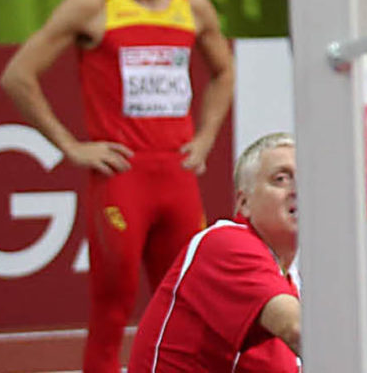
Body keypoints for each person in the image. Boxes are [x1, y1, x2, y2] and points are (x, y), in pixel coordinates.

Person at [1, 0, 236, 373]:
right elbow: (17, 76)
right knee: (112, 312)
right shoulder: (93, 4)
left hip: (177, 179)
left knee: (192, 309)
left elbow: (224, 72)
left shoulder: (192, 6)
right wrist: (70, 146)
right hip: (123, 179)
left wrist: (207, 136)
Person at [127, 132, 300, 373]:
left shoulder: (291, 281)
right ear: (244, 203)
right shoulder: (228, 244)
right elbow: (297, 329)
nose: (298, 189)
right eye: (281, 179)